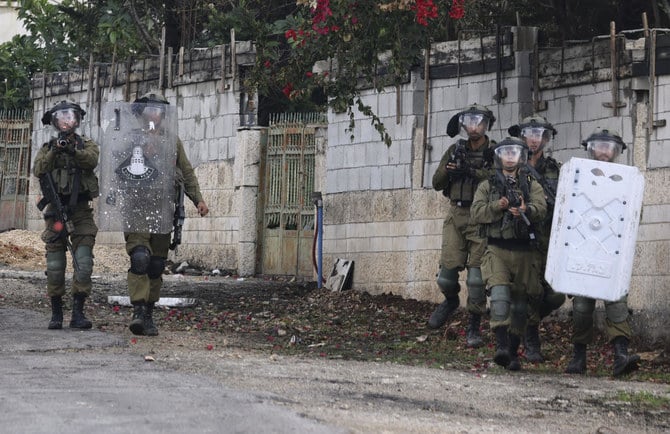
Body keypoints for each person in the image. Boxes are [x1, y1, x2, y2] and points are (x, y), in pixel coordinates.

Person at [124, 91, 209, 336]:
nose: (154, 114)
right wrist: (140, 154)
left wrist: (198, 199)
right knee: (139, 258)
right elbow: (116, 171)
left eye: (158, 110)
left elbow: (187, 171)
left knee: (156, 263)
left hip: (162, 209)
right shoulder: (130, 139)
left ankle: (149, 313)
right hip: (137, 208)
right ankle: (138, 311)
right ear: (142, 114)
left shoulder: (172, 141)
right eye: (149, 109)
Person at [564, 128, 640, 377]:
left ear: (616, 152)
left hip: (611, 251)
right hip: (584, 248)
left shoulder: (627, 181)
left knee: (616, 302)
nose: (604, 152)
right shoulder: (577, 177)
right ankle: (579, 357)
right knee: (582, 307)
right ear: (591, 149)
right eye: (600, 147)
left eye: (609, 148)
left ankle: (620, 355)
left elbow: (635, 216)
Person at [470, 137, 547, 371]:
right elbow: (476, 213)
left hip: (524, 252)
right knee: (500, 295)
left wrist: (526, 209)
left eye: (515, 152)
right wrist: (498, 206)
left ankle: (513, 352)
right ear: (499, 156)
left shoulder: (532, 183)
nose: (510, 156)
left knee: (521, 308)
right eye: (506, 152)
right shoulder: (488, 185)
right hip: (497, 249)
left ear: (521, 156)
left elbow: (542, 209)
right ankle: (501, 346)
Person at [430, 104, 495, 348]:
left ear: (486, 124)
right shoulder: (455, 149)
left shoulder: (494, 151)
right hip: (456, 214)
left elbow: (496, 179)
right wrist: (450, 171)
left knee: (477, 280)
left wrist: (472, 171)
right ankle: (450, 301)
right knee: (446, 277)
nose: (474, 126)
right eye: (469, 121)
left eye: (479, 121)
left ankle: (474, 326)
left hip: (481, 217)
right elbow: (436, 183)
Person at [32, 101, 99, 330]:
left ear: (77, 120)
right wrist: (55, 151)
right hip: (56, 214)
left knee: (83, 262)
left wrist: (72, 150)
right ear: (55, 122)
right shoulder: (47, 148)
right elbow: (39, 169)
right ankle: (57, 312)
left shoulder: (86, 144)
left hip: (81, 212)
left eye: (70, 117)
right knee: (55, 265)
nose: (66, 121)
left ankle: (78, 313)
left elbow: (91, 160)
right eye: (61, 118)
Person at [508, 115, 566, 363]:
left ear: (545, 138)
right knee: (529, 291)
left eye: (539, 135)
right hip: (522, 236)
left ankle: (523, 323)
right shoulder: (510, 165)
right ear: (522, 137)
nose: (533, 140)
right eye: (529, 134)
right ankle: (531, 340)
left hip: (549, 236)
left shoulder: (555, 168)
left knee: (555, 294)